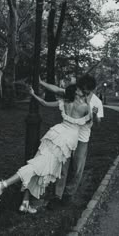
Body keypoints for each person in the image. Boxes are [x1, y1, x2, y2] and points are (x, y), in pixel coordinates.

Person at [0, 84, 92, 214]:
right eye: (79, 89)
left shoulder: (64, 102)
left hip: (55, 134)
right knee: (38, 166)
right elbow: (89, 122)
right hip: (64, 141)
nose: (82, 91)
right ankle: (3, 184)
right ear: (76, 93)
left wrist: (33, 94)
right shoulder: (84, 107)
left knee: (40, 167)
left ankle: (25, 203)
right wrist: (90, 107)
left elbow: (44, 103)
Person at [39, 74, 104, 204]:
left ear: (91, 90)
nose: (82, 92)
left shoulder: (97, 102)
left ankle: (69, 194)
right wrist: (41, 82)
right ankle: (58, 195)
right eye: (81, 88)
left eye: (85, 90)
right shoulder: (74, 93)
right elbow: (57, 90)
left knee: (77, 168)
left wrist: (95, 115)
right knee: (63, 166)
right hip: (67, 136)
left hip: (82, 139)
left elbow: (98, 124)